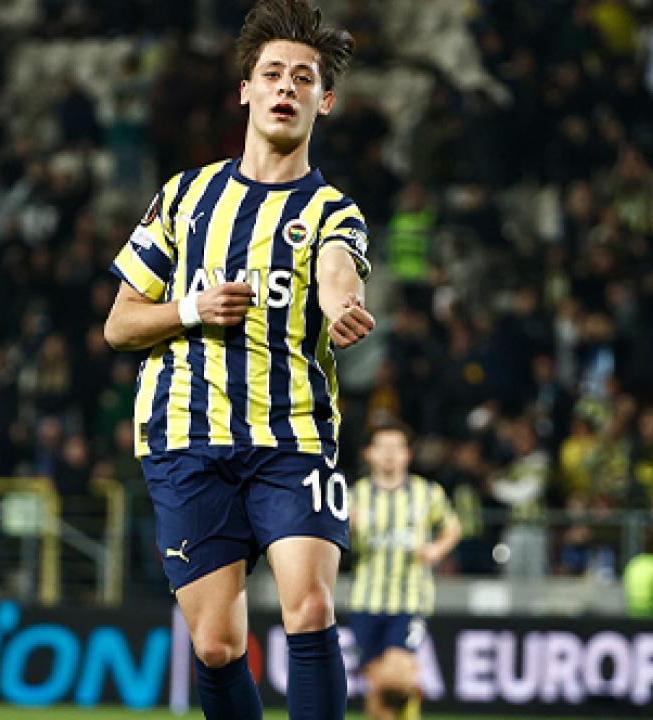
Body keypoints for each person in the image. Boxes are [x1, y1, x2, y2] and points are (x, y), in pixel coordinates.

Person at [102, 2, 374, 718]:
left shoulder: (332, 211)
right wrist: (192, 308)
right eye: (273, 73)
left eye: (304, 78)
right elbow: (120, 325)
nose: (287, 87)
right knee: (219, 645)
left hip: (293, 437)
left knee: (310, 608)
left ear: (325, 101)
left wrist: (341, 302)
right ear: (246, 90)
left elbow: (337, 269)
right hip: (187, 440)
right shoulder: (184, 196)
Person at [349, 422, 460, 720]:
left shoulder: (427, 493)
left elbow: (452, 527)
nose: (389, 454)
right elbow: (337, 546)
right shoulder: (355, 495)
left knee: (397, 675)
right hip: (366, 599)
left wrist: (437, 549)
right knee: (378, 683)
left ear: (408, 454)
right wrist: (346, 528)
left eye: (396, 447)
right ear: (369, 453)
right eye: (382, 447)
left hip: (411, 599)